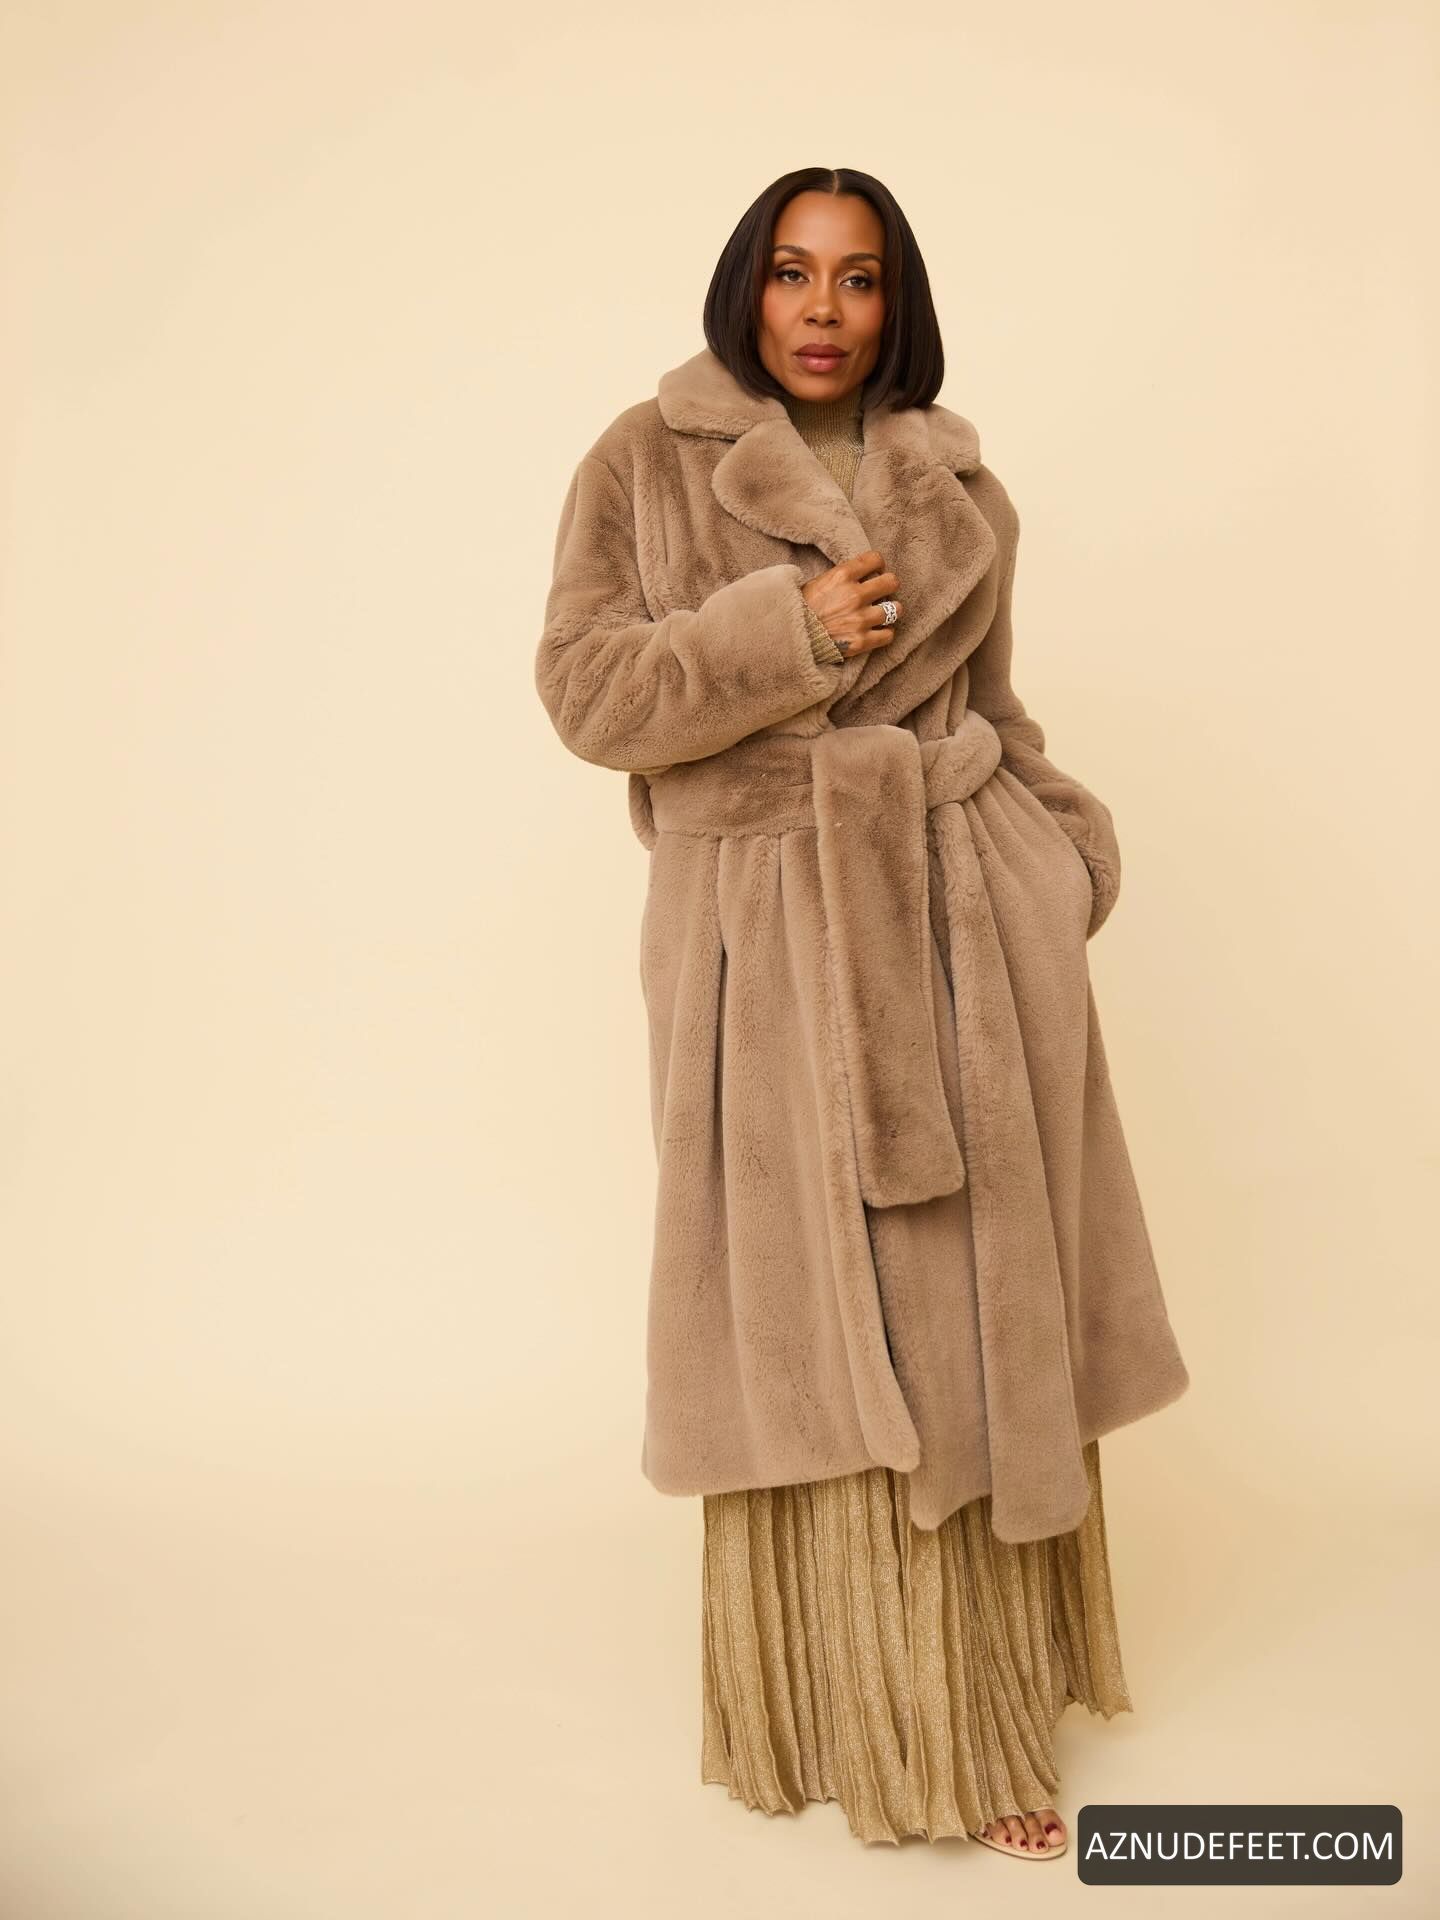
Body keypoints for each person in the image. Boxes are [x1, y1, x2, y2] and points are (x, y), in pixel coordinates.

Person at [534, 166, 1190, 1854]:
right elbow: (588, 695)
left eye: (859, 277)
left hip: (961, 930)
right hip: (762, 939)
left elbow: (997, 712)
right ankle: (837, 1707)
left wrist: (1062, 854)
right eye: (792, 272)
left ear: (898, 303)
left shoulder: (961, 487)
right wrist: (789, 635)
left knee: (967, 1307)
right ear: (745, 288)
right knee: (808, 1325)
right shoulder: (643, 459)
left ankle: (980, 1717)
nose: (823, 308)